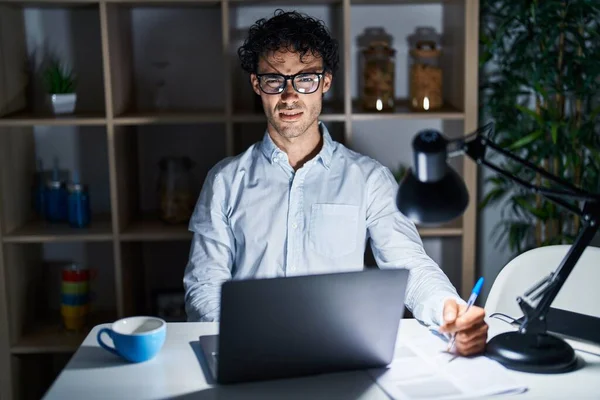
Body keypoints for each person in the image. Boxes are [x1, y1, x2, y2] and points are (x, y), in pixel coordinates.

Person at [183, 10, 487, 356]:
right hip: (249, 352)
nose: (289, 95)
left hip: (340, 351)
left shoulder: (369, 178)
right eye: (274, 80)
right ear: (257, 84)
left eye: (305, 79)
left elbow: (410, 266)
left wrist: (449, 310)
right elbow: (204, 286)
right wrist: (237, 343)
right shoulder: (224, 181)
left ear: (325, 82)